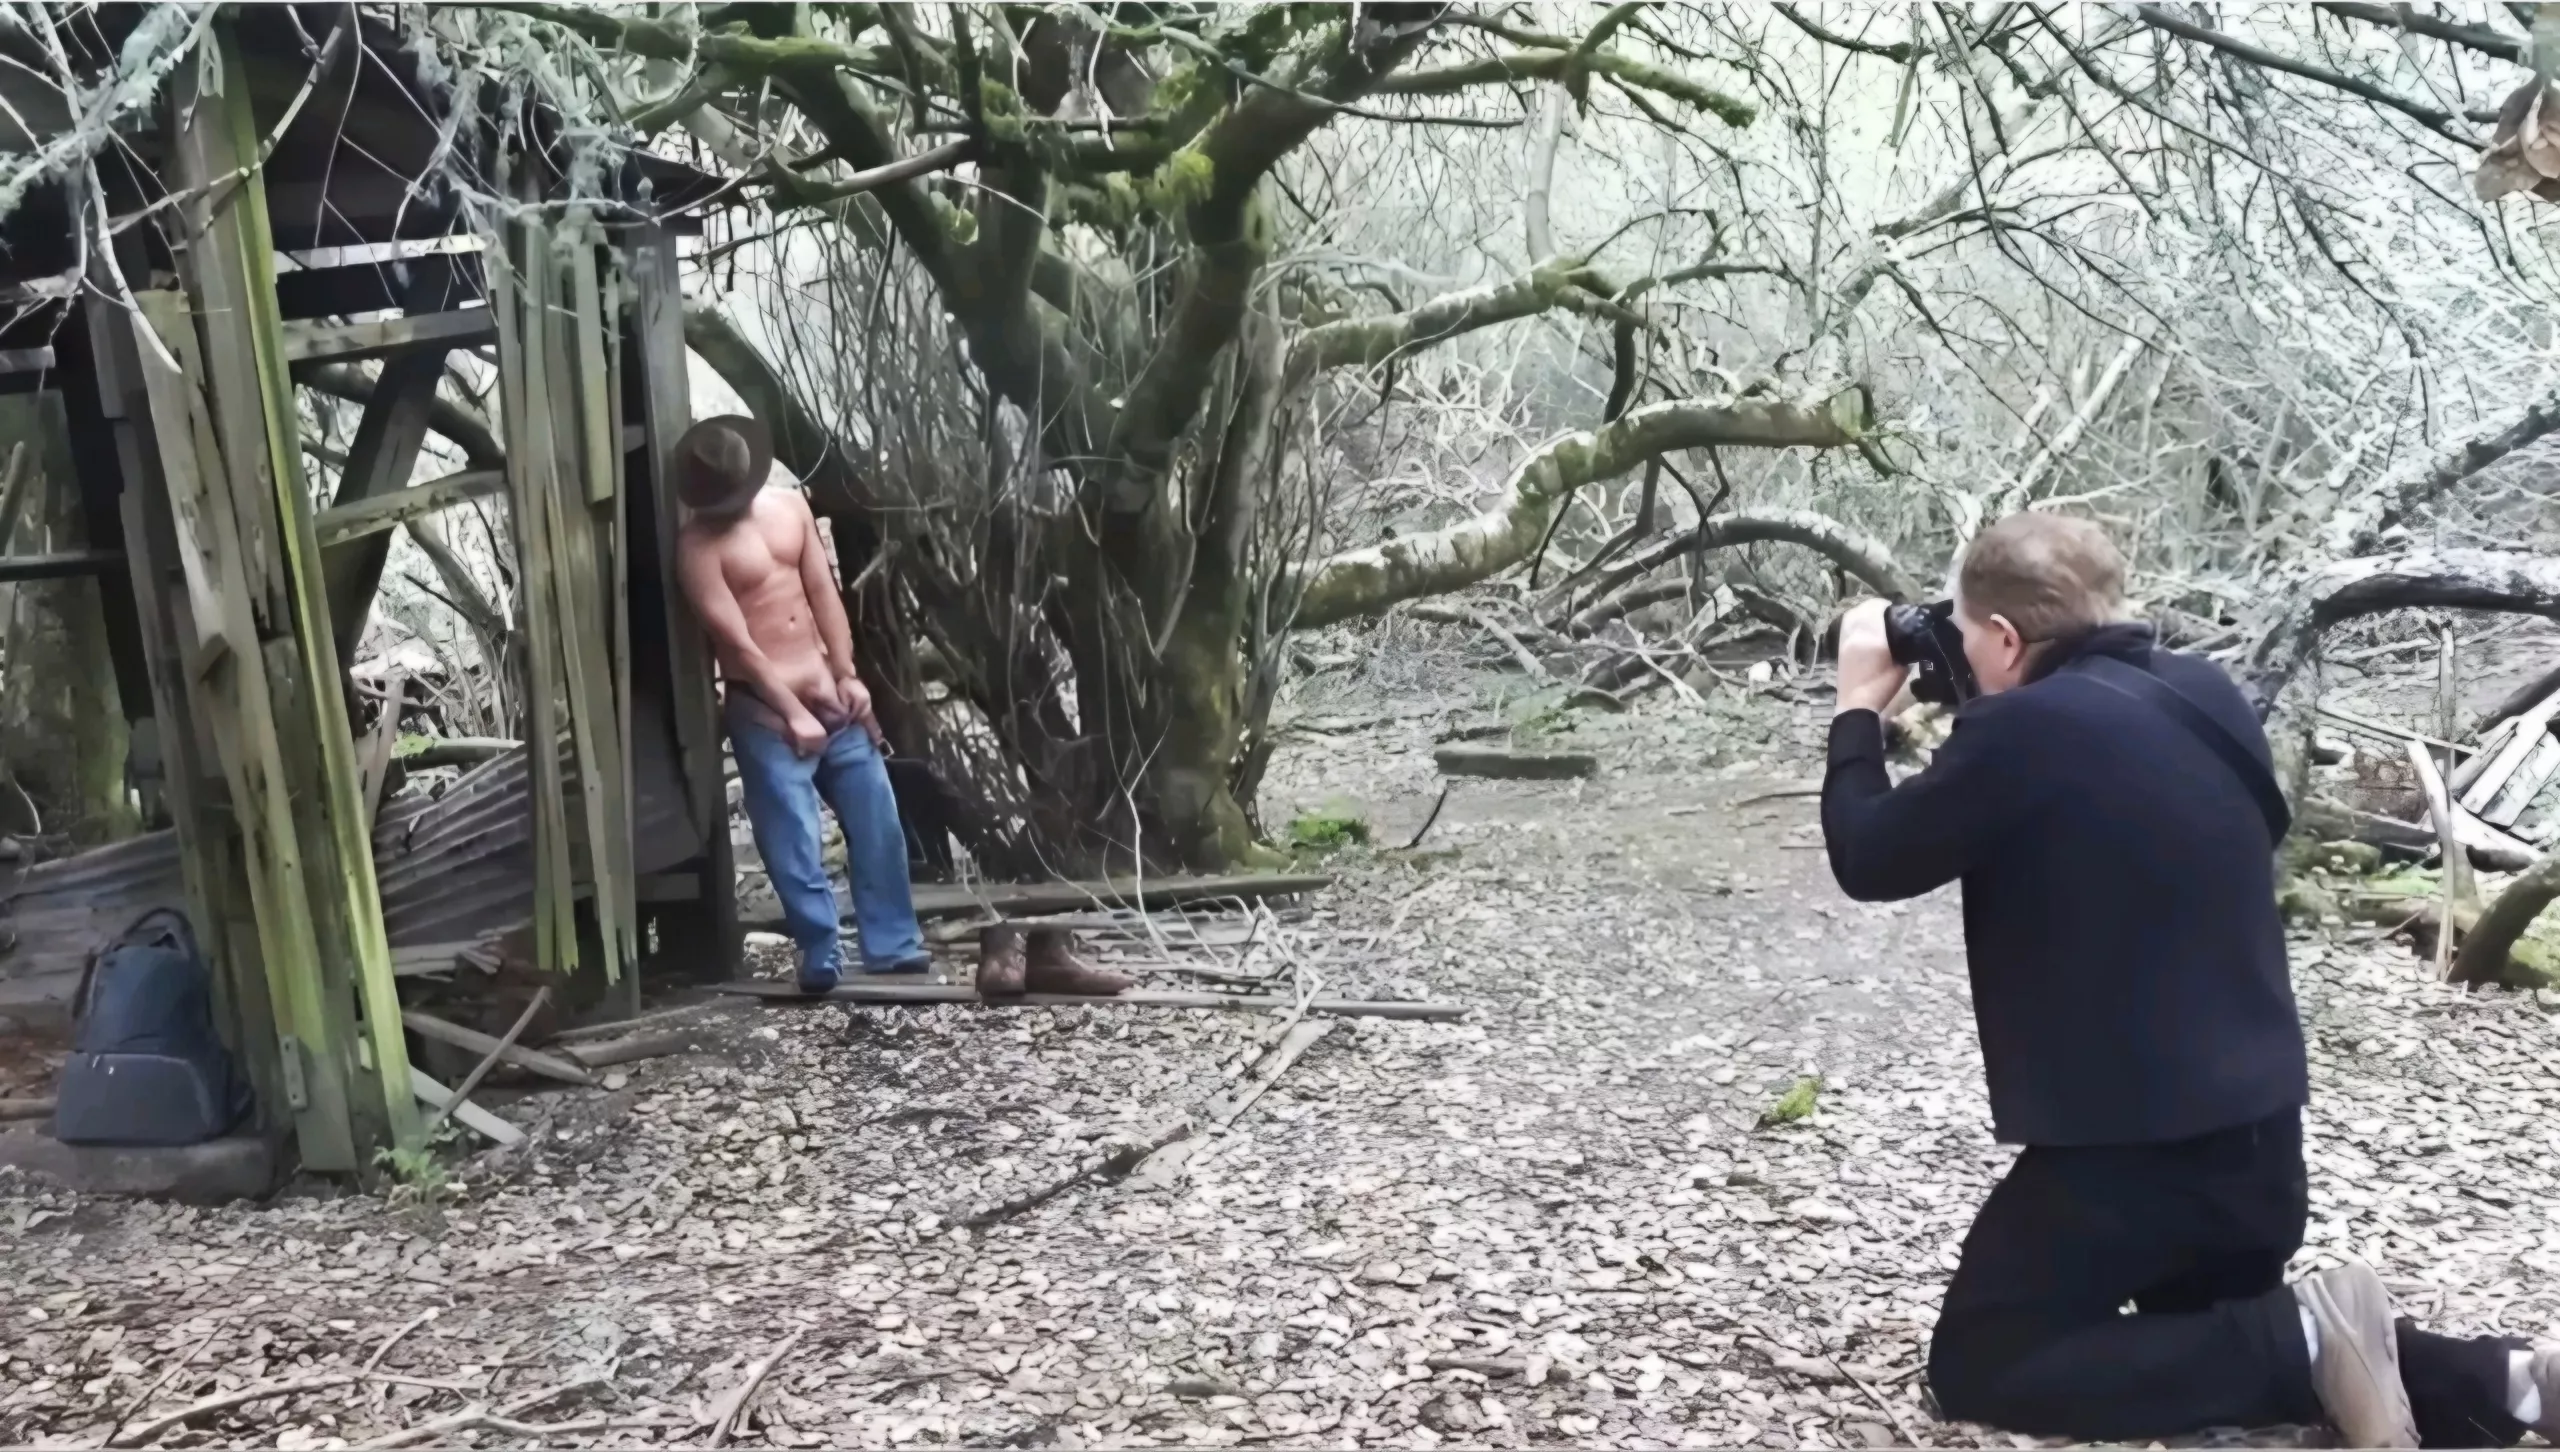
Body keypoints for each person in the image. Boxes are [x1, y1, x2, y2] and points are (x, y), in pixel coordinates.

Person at [1818, 512, 2555, 1449]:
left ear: (2003, 637)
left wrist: (1855, 708)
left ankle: (2309, 1330)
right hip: (2261, 1138)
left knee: (1982, 1365)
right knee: (2221, 1346)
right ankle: (2513, 1381)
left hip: (2133, 1160)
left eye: (1965, 633)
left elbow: (1868, 856)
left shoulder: (2021, 733)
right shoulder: (2209, 694)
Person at [671, 415, 1129, 1000]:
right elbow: (735, 641)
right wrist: (791, 711)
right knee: (792, 836)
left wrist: (848, 676)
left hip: (831, 693)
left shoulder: (789, 509)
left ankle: (891, 945)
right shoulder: (697, 547)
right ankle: (820, 948)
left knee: (878, 820)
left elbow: (824, 596)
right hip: (765, 707)